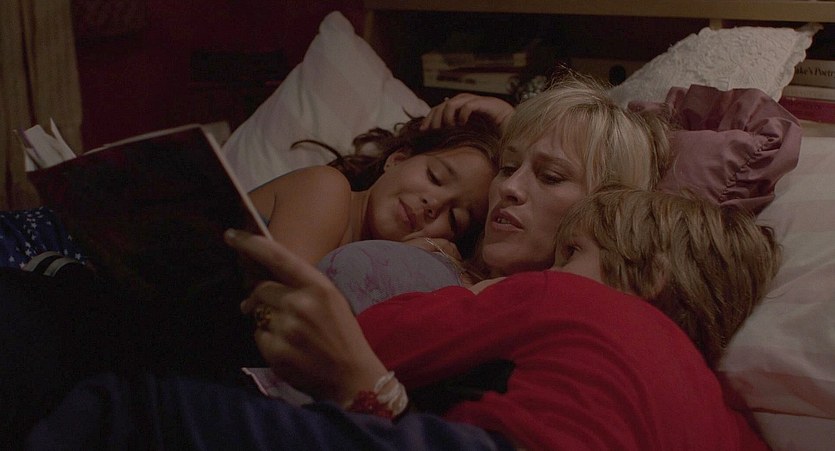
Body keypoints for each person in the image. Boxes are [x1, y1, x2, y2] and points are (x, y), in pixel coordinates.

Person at [24, 187, 780, 450]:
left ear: (647, 277)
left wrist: (478, 295)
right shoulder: (733, 416)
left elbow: (374, 339)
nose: (552, 270)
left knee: (129, 410)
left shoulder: (577, 299)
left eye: (572, 251)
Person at [248, 114, 501, 264]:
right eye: (434, 177)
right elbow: (282, 313)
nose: (434, 204)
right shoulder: (326, 187)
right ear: (397, 160)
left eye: (455, 219)